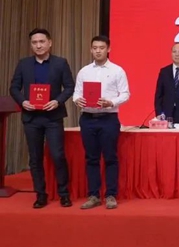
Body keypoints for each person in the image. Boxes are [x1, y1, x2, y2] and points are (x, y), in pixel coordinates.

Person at [9, 28, 75, 208]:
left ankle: (64, 194)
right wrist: (23, 101)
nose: (38, 45)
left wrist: (57, 101)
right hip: (31, 118)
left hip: (53, 117)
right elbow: (14, 88)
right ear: (31, 45)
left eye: (41, 42)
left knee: (58, 155)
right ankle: (40, 194)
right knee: (35, 158)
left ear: (49, 43)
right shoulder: (23, 64)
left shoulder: (60, 63)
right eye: (34, 42)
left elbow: (69, 87)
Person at [73, 35, 130, 210]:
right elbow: (76, 93)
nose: (98, 51)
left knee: (110, 157)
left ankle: (111, 195)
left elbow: (125, 94)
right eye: (95, 48)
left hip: (108, 119)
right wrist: (77, 100)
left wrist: (111, 102)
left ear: (108, 49)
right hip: (88, 118)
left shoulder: (117, 71)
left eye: (102, 48)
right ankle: (94, 195)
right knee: (91, 158)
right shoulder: (84, 71)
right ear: (91, 49)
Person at [154, 43, 179, 124]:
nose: (177, 54)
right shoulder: (164, 71)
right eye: (174, 52)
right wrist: (158, 113)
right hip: (166, 115)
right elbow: (159, 95)